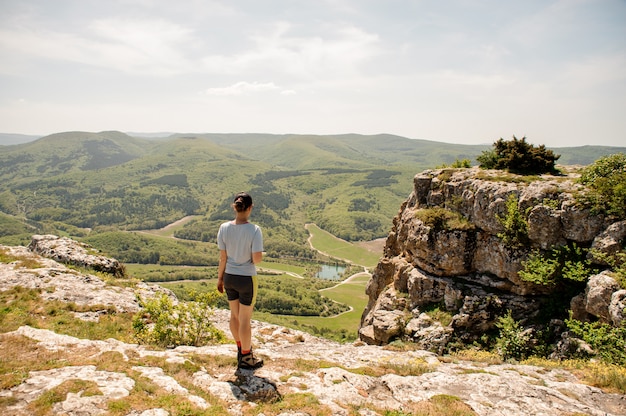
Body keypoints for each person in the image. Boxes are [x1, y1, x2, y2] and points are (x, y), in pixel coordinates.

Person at [217, 192, 264, 370]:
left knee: (234, 316)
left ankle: (240, 347)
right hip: (246, 279)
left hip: (229, 276)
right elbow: (257, 258)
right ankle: (246, 356)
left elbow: (223, 257)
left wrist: (220, 279)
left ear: (234, 207)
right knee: (245, 320)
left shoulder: (224, 228)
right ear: (250, 208)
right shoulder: (254, 230)